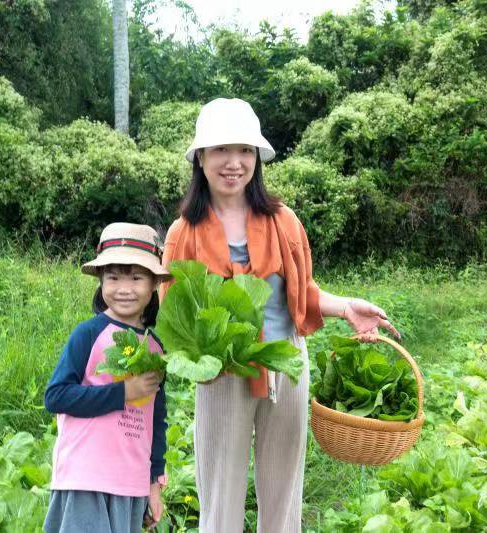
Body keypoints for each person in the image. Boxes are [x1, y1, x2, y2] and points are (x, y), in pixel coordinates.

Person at [161, 98, 401, 532]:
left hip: (286, 363)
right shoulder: (183, 233)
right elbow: (172, 313)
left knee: (284, 493)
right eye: (221, 150)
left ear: (257, 158)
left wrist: (346, 307)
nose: (234, 162)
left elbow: (301, 292)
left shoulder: (283, 221)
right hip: (223, 373)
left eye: (245, 151)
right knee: (219, 494)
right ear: (200, 157)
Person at [44, 222, 171, 533]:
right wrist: (122, 392)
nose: (124, 288)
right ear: (100, 281)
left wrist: (154, 484)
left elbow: (157, 420)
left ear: (154, 283)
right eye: (113, 277)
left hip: (130, 482)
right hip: (87, 477)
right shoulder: (88, 334)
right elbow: (56, 396)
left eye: (136, 278)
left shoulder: (155, 347)